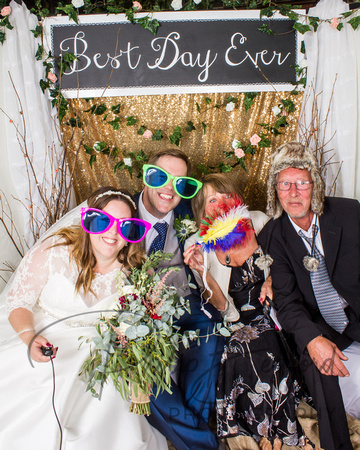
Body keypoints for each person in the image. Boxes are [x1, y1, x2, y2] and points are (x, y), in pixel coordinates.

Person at [0, 187, 167, 450]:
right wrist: (29, 337)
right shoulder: (54, 253)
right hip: (45, 340)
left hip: (101, 356)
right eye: (103, 221)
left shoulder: (135, 274)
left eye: (125, 227)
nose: (112, 232)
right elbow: (18, 302)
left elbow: (141, 331)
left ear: (131, 236)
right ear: (88, 222)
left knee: (107, 403)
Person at [183, 173, 311, 450]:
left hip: (274, 309)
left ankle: (273, 433)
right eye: (212, 200)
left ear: (237, 197)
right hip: (234, 318)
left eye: (227, 195)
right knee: (241, 347)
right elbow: (219, 306)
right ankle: (272, 431)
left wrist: (273, 279)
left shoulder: (259, 220)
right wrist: (202, 273)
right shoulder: (197, 244)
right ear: (201, 209)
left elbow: (289, 261)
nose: (221, 203)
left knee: (260, 342)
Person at [258, 141, 360, 450]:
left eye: (301, 183)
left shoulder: (349, 212)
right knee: (318, 365)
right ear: (275, 190)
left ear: (314, 184)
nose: (293, 193)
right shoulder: (273, 236)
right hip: (322, 325)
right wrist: (314, 341)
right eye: (284, 184)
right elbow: (287, 303)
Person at [135, 148, 224, 450]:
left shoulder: (188, 211)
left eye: (179, 181)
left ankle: (189, 436)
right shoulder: (123, 213)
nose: (169, 188)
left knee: (212, 332)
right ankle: (204, 444)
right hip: (140, 313)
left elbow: (231, 223)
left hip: (186, 301)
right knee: (143, 372)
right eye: (161, 177)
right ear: (146, 176)